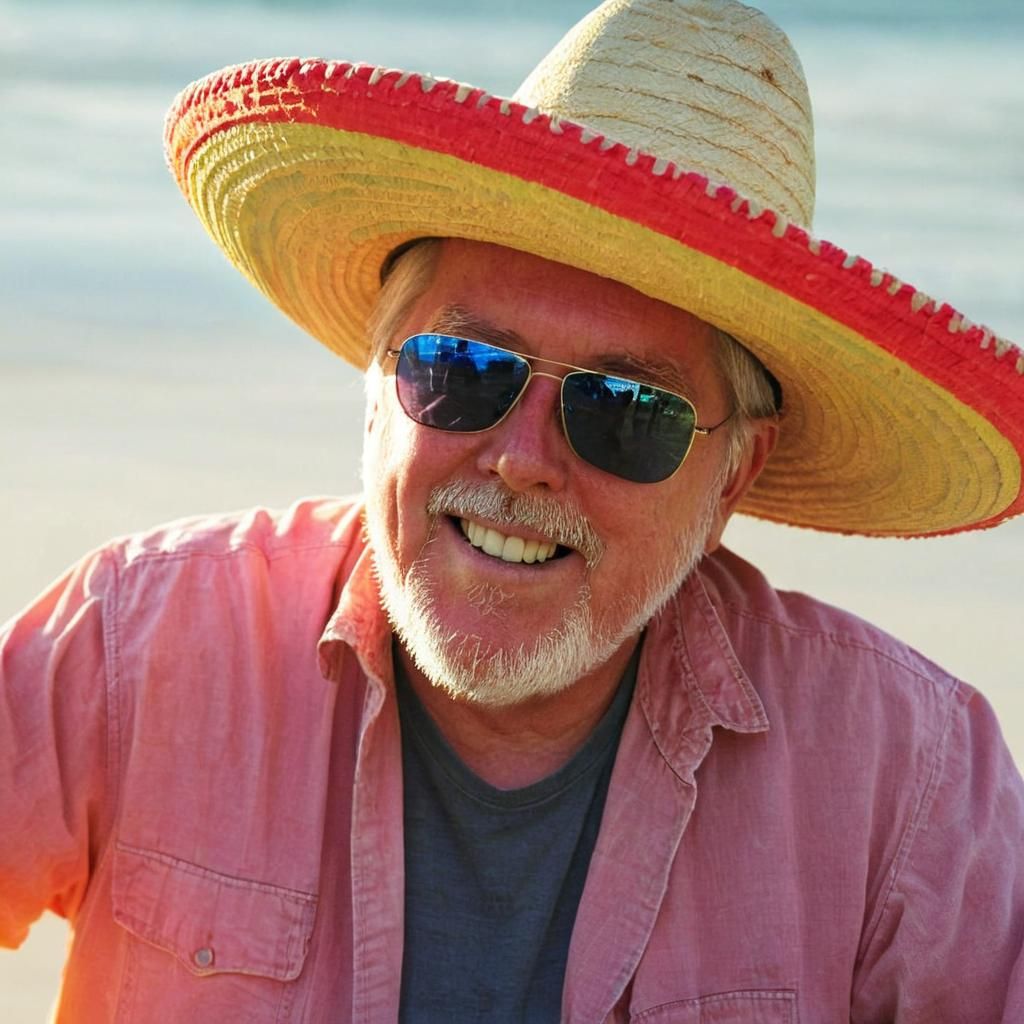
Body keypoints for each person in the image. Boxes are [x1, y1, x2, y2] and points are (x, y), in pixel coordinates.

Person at [3, 0, 1023, 1020]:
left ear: (732, 479)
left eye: (624, 411)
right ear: (374, 386)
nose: (523, 459)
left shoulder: (907, 775)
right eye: (463, 368)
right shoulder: (133, 650)